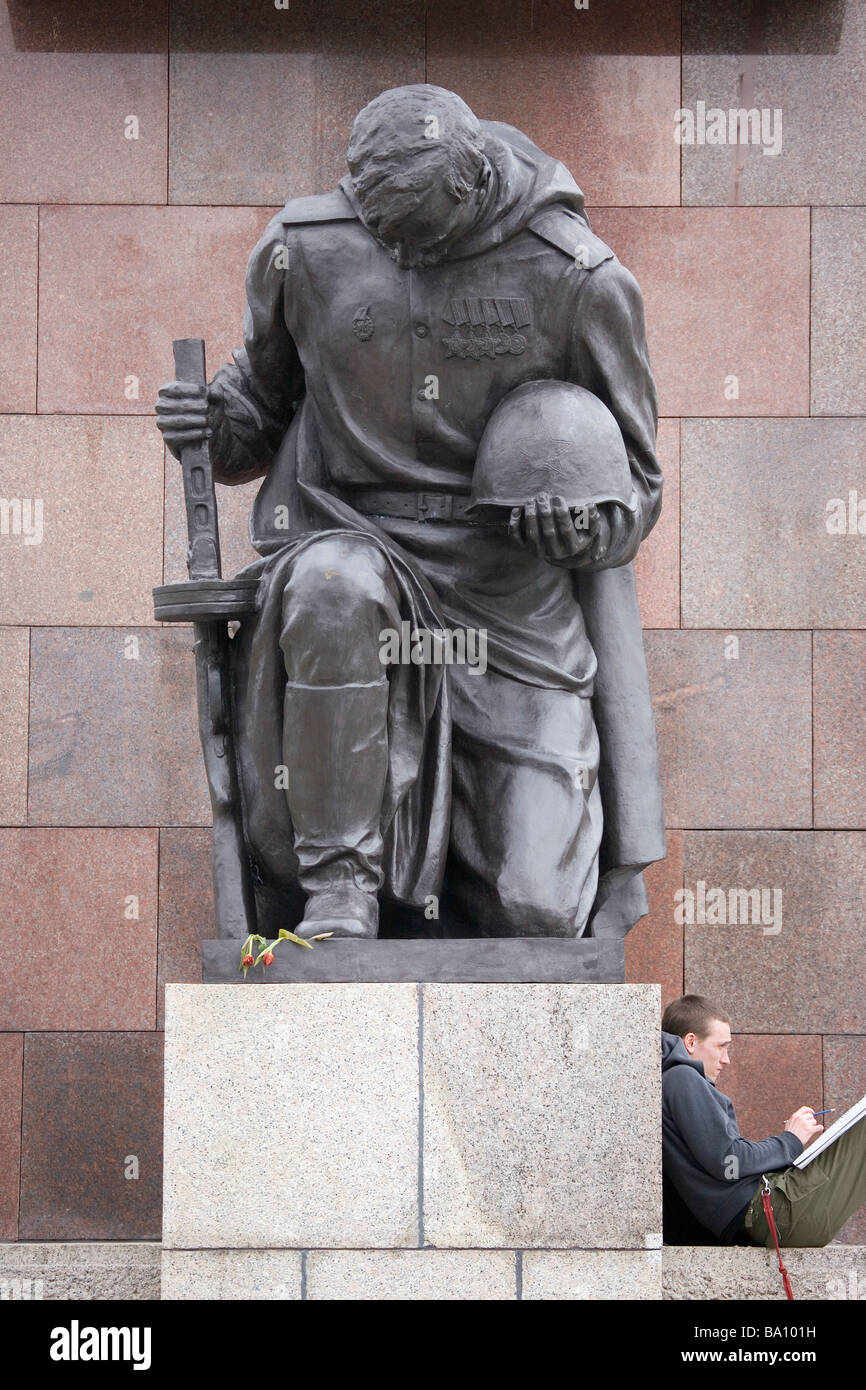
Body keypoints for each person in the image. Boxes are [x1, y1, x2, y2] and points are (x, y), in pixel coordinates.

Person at [155, 83, 665, 941]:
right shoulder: (302, 250)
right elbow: (258, 410)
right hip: (356, 537)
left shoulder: (578, 277)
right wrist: (212, 424)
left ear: (471, 190)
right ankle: (339, 885)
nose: (395, 249)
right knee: (328, 582)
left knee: (535, 910)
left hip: (509, 592)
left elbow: (637, 489)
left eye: (415, 235)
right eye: (379, 228)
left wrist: (580, 527)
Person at [662, 994, 866, 1247]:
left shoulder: (673, 1081)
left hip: (754, 1215)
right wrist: (790, 1140)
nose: (726, 1059)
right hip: (764, 1213)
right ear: (691, 1042)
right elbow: (729, 1164)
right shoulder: (682, 1078)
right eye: (721, 1046)